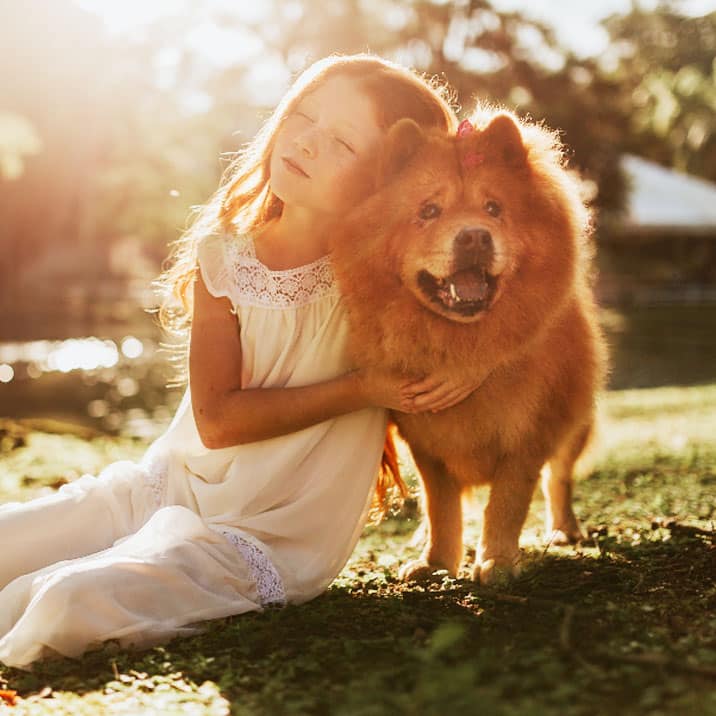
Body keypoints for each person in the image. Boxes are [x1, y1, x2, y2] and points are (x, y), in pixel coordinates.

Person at [0, 53, 474, 671]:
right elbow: (218, 421)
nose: (306, 141)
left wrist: (468, 369)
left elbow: (497, 317)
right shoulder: (223, 255)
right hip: (168, 486)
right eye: (303, 116)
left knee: (65, 602)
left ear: (388, 178)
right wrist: (364, 387)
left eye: (341, 142)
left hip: (268, 535)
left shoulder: (391, 276)